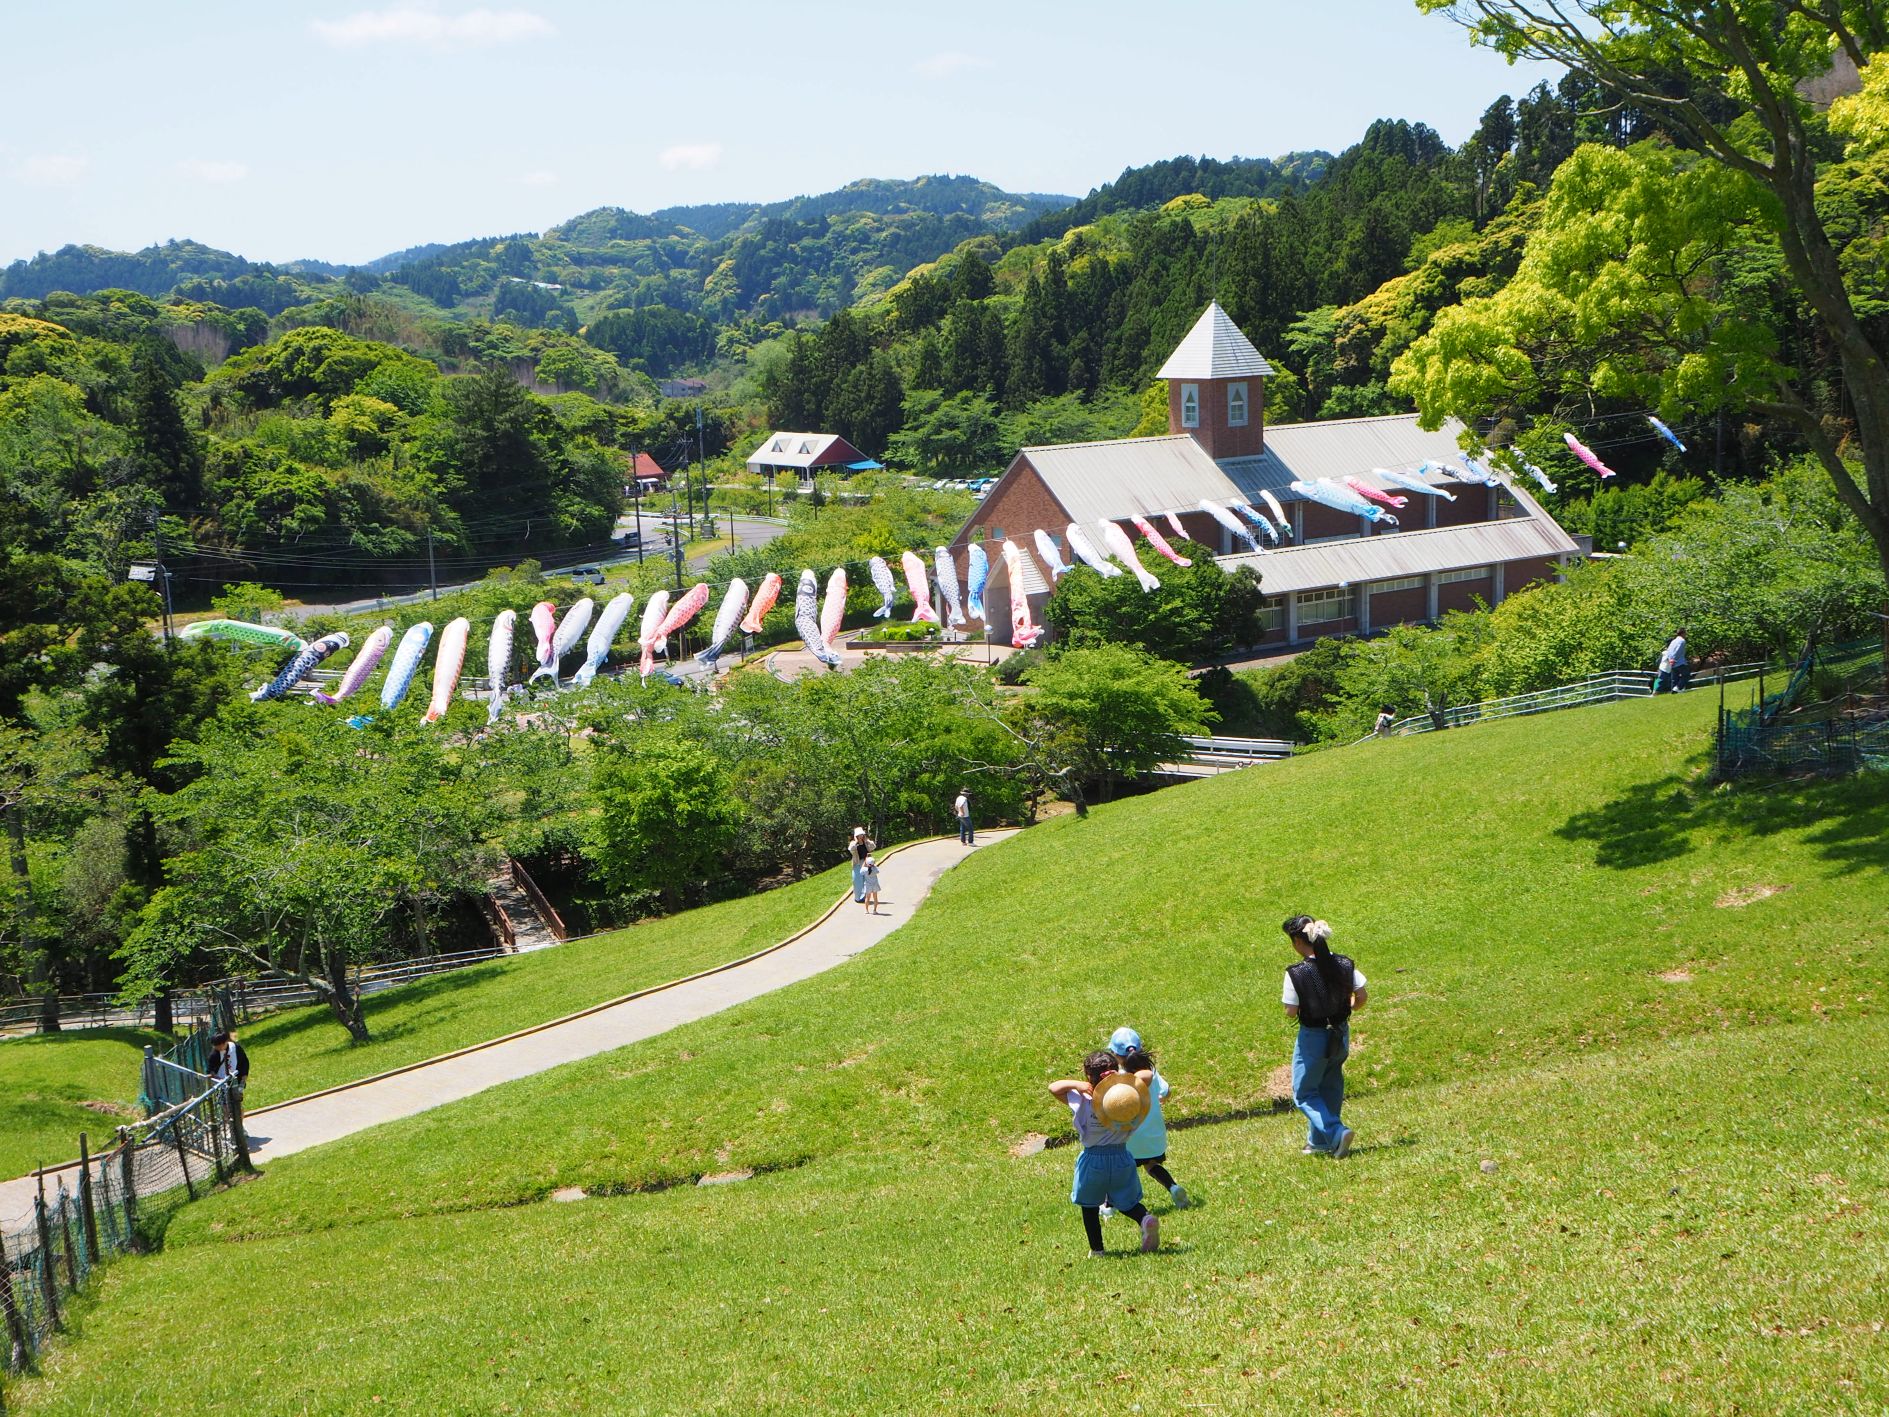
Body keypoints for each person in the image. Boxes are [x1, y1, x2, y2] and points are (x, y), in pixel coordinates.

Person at [1048, 1051, 1160, 1257]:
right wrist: (1119, 1080)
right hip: (1121, 1158)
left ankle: (1097, 1250)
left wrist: (1078, 1085)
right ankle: (1144, 1218)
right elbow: (1147, 1075)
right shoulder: (1126, 1096)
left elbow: (1053, 1088)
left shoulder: (1083, 1098)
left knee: (1089, 1206)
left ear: (1087, 1075)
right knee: (1127, 1201)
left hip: (1093, 1161)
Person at [1280, 915, 1367, 1158]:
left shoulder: (1296, 973)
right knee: (1330, 1085)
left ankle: (1336, 1131)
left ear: (1298, 941)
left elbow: (1290, 1011)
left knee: (1305, 1093)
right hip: (1340, 1034)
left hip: (1313, 1037)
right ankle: (1319, 1142)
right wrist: (1346, 1006)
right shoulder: (1343, 963)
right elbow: (1361, 997)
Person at [1112, 1035, 1188, 1209]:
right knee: (1151, 1165)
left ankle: (1109, 1205)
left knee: (1117, 1167)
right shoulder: (1152, 1072)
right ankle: (1173, 1187)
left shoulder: (1120, 1077)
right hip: (1154, 1135)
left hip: (1129, 1137)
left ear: (1116, 1055)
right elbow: (1166, 1092)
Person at [207, 1031, 249, 1098]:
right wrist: (215, 1078)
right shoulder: (214, 1055)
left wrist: (243, 1078)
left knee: (237, 1099)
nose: (217, 1048)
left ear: (224, 1042)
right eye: (215, 1046)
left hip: (236, 1079)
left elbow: (244, 1062)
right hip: (221, 1083)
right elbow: (210, 1070)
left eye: (218, 1046)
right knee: (225, 1103)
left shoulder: (236, 1048)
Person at [847, 827, 874, 905]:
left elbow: (873, 846)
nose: (861, 836)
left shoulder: (865, 842)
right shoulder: (853, 843)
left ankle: (865, 896)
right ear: (856, 836)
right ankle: (858, 898)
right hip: (857, 864)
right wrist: (856, 841)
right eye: (859, 835)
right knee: (857, 881)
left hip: (866, 863)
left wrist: (867, 840)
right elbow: (850, 849)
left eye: (862, 834)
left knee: (867, 880)